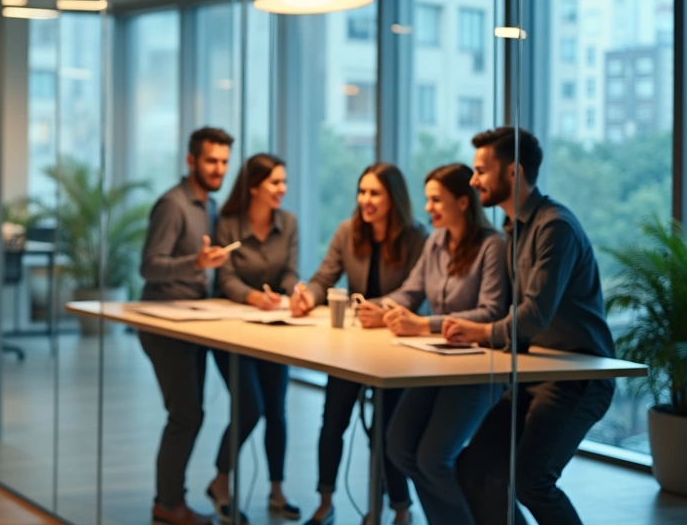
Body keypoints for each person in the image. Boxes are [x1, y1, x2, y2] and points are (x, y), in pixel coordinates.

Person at [444, 127, 615, 525]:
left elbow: (534, 314)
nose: (472, 181)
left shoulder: (555, 227)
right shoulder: (513, 229)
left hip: (576, 379)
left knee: (530, 481)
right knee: (472, 468)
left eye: (481, 171)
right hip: (534, 376)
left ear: (513, 173)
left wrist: (482, 333)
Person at [354, 164, 510, 525]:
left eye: (436, 200)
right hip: (435, 363)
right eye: (427, 200)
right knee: (398, 447)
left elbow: (490, 311)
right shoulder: (436, 241)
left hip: (475, 368)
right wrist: (378, 309)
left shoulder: (493, 246)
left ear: (462, 202)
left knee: (433, 459)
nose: (428, 209)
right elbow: (410, 291)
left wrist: (423, 323)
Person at [293, 163, 426, 525]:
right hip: (352, 349)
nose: (365, 200)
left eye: (375, 193)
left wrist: (383, 310)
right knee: (332, 422)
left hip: (395, 351)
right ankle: (325, 502)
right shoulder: (347, 231)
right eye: (362, 192)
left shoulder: (417, 237)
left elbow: (416, 292)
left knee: (386, 433)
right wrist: (308, 297)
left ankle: (399, 508)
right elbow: (323, 278)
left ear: (393, 198)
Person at [140, 127, 235, 525]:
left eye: (225, 162)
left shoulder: (209, 205)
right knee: (186, 414)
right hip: (165, 325)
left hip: (193, 324)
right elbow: (149, 266)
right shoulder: (173, 205)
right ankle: (168, 502)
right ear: (191, 161)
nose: (219, 169)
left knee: (190, 413)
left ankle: (171, 499)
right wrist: (195, 264)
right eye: (212, 161)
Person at [207, 154, 306, 522]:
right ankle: (220, 481)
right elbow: (225, 278)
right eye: (275, 183)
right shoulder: (228, 223)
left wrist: (288, 293)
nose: (283, 189)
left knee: (277, 411)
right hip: (231, 331)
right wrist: (252, 297)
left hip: (272, 330)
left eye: (284, 182)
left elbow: (291, 270)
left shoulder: (289, 223)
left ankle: (277, 490)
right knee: (250, 407)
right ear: (253, 187)